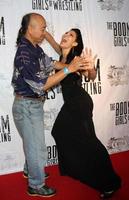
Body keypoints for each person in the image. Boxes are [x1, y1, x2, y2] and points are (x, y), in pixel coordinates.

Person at [11, 13, 91, 197]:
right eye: (43, 28)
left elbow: (50, 63)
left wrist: (72, 65)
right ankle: (36, 185)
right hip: (27, 107)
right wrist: (68, 69)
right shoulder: (24, 53)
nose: (45, 32)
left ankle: (30, 170)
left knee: (32, 145)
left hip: (31, 106)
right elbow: (42, 85)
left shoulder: (34, 48)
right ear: (30, 29)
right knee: (37, 148)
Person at [44, 28, 122, 198]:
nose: (66, 36)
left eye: (70, 35)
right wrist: (40, 30)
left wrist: (92, 68)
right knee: (59, 131)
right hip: (70, 104)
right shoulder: (62, 55)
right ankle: (74, 168)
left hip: (80, 104)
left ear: (75, 43)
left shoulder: (76, 59)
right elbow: (50, 39)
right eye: (65, 33)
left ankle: (111, 183)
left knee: (90, 142)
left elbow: (90, 76)